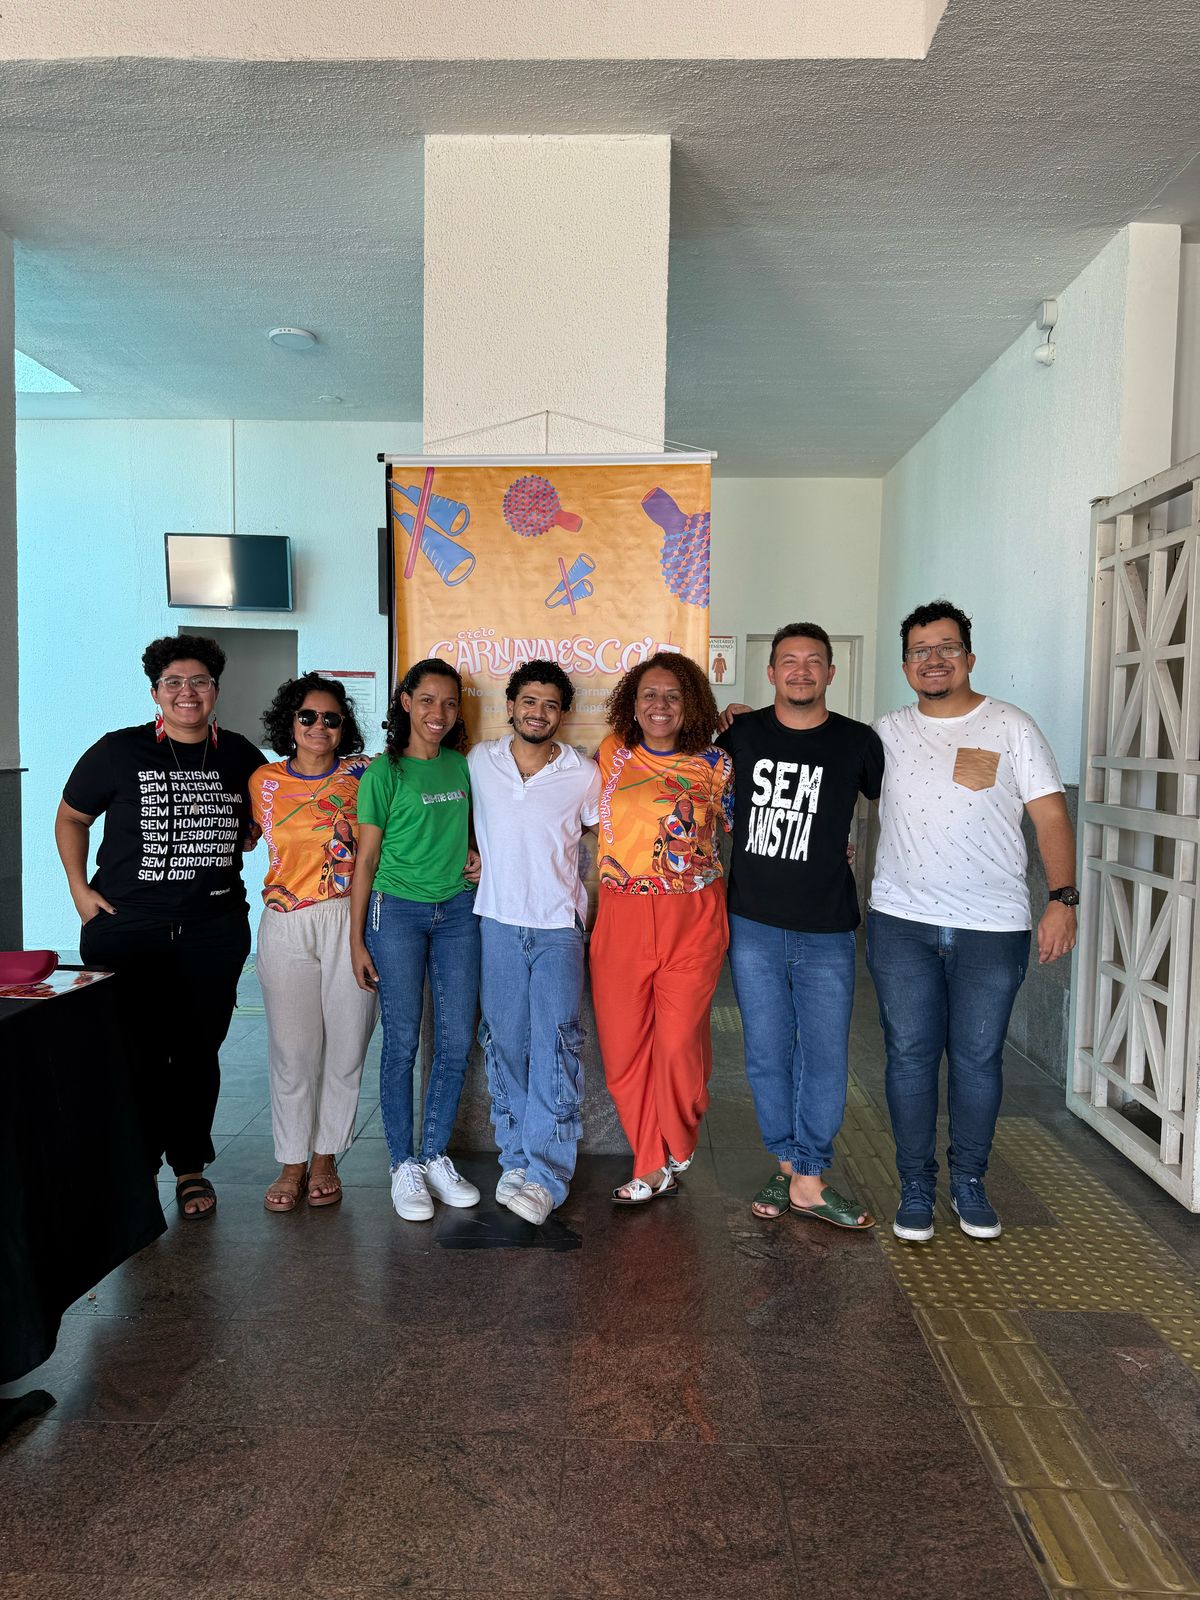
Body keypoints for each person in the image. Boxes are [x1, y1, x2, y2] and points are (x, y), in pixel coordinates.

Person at [867, 600, 1077, 1242]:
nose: (934, 659)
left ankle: (968, 1181)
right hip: (901, 922)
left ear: (969, 657)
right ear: (905, 665)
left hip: (992, 926)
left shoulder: (1011, 726)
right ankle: (916, 1185)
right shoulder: (886, 732)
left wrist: (1062, 899)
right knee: (908, 1057)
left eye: (946, 647)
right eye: (920, 650)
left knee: (978, 1059)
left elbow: (1051, 815)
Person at [55, 634, 265, 1218]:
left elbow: (265, 821)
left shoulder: (241, 755)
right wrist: (79, 889)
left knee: (198, 1051)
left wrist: (249, 832)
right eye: (173, 682)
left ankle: (190, 1166)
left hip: (213, 928)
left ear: (215, 690)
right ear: (155, 693)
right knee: (135, 1052)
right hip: (128, 929)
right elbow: (71, 817)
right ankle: (137, 1165)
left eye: (198, 681)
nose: (186, 693)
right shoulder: (118, 751)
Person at [717, 622, 883, 1229]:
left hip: (827, 928)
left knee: (823, 1054)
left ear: (832, 672)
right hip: (754, 925)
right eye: (789, 660)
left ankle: (809, 1171)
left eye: (814, 660)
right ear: (771, 672)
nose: (802, 670)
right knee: (765, 1053)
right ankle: (789, 1166)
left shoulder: (859, 742)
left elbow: (895, 808)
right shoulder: (741, 735)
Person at [591, 651, 733, 1204]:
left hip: (691, 917)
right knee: (623, 1053)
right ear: (632, 703)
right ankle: (651, 1165)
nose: (660, 705)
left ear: (690, 704)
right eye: (649, 694)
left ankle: (677, 1133)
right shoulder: (612, 753)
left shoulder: (716, 763)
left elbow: (751, 828)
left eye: (673, 695)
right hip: (622, 915)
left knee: (677, 1044)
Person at [349, 658, 482, 1222]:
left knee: (454, 1041)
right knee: (402, 1041)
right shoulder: (384, 773)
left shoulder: (461, 766)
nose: (439, 713)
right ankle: (402, 1163)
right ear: (405, 702)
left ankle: (433, 1156)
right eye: (427, 700)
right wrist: (356, 940)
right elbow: (365, 860)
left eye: (450, 703)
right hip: (396, 912)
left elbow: (471, 834)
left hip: (458, 912)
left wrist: (475, 855)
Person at [468, 660, 600, 1225]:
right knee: (506, 1044)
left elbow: (598, 830)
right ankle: (517, 1159)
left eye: (550, 704)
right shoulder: (480, 761)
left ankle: (548, 1174)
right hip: (496, 921)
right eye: (529, 701)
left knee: (557, 1045)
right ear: (511, 706)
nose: (538, 712)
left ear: (562, 714)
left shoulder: (583, 774)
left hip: (557, 927)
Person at [249, 673, 379, 1213]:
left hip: (351, 918)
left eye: (331, 718)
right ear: (290, 721)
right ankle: (291, 1162)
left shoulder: (365, 774)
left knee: (347, 1046)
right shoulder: (263, 781)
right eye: (308, 716)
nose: (319, 726)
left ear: (344, 726)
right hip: (286, 922)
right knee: (293, 1052)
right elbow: (245, 837)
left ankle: (326, 1157)